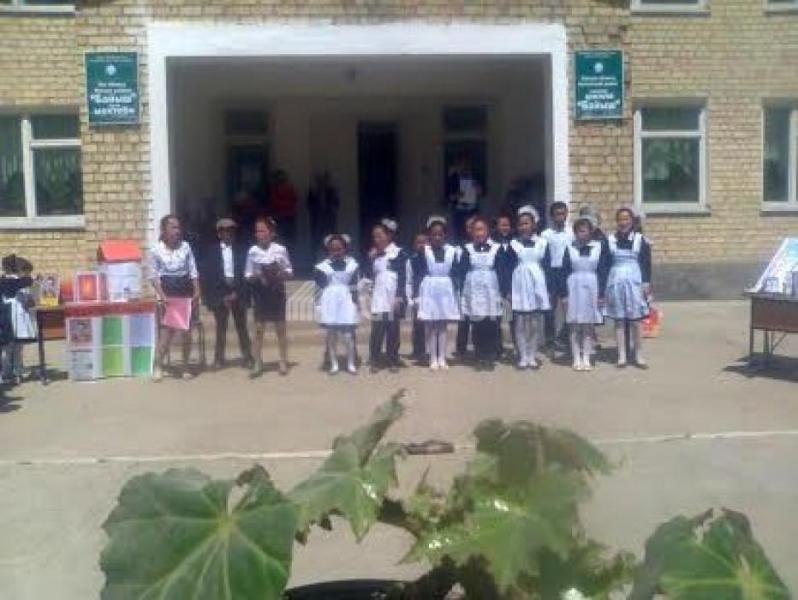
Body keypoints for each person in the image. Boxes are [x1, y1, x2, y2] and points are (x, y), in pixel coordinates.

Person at [149, 214, 201, 381]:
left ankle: (185, 366)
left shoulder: (185, 247)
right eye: (173, 227)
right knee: (166, 333)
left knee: (186, 332)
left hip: (185, 291)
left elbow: (193, 270)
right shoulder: (156, 250)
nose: (177, 231)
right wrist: (162, 296)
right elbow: (153, 277)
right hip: (168, 292)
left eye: (178, 227)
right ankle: (158, 366)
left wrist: (197, 290)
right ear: (164, 230)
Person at [199, 217, 253, 370]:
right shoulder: (211, 251)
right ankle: (219, 358)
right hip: (220, 293)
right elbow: (209, 275)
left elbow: (245, 273)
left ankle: (248, 357)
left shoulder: (242, 250)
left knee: (242, 326)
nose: (228, 233)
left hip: (238, 291)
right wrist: (221, 295)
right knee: (221, 327)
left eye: (231, 230)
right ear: (219, 233)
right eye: (225, 231)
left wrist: (237, 292)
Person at [604, 206, 653, 368]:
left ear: (632, 221)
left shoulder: (640, 240)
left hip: (634, 282)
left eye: (626, 219)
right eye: (620, 219)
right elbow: (605, 264)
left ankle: (638, 354)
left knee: (636, 320)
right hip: (616, 282)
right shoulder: (610, 240)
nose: (623, 222)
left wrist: (646, 283)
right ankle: (622, 356)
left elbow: (646, 263)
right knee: (619, 320)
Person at [456, 215, 506, 371]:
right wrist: (461, 292)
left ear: (488, 231)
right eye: (476, 230)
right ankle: (479, 355)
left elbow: (502, 270)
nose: (479, 233)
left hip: (490, 288)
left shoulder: (497, 248)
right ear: (471, 232)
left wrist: (503, 291)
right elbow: (462, 270)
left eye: (482, 229)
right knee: (477, 324)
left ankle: (489, 355)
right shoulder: (467, 249)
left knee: (490, 323)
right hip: (473, 289)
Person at [504, 206, 551, 370]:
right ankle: (522, 355)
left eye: (527, 223)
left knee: (534, 321)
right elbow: (508, 268)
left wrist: (547, 289)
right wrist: (508, 290)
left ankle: (532, 354)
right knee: (520, 321)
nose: (524, 227)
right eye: (521, 224)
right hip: (519, 283)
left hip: (537, 283)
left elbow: (547, 266)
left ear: (534, 225)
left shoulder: (543, 243)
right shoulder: (513, 244)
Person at [411, 216, 460, 370]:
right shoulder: (424, 251)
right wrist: (417, 294)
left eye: (440, 234)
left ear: (445, 235)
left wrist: (455, 290)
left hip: (445, 288)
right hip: (430, 288)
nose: (437, 237)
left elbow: (455, 271)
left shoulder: (452, 251)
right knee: (431, 325)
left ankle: (442, 357)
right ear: (429, 236)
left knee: (443, 325)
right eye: (434, 234)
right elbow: (418, 272)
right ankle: (432, 357)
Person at [246, 217, 293, 377]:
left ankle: (283, 360)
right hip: (260, 293)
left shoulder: (281, 249)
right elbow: (247, 274)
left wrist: (280, 273)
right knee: (259, 329)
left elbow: (290, 271)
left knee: (280, 329)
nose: (259, 234)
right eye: (257, 231)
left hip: (277, 291)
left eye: (262, 230)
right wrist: (258, 275)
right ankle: (257, 362)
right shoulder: (252, 251)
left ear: (271, 233)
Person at [561, 218, 610, 371]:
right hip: (574, 286)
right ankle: (576, 357)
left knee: (588, 324)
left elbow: (603, 270)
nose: (581, 234)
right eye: (578, 231)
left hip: (592, 286)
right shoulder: (570, 248)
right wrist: (564, 294)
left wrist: (601, 293)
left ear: (590, 232)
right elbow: (564, 271)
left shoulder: (598, 247)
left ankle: (586, 357)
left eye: (584, 230)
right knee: (574, 325)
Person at [363, 218, 407, 373]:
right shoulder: (373, 255)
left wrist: (399, 296)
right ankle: (375, 359)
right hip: (378, 295)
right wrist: (370, 259)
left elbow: (403, 276)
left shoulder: (399, 253)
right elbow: (368, 275)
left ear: (389, 236)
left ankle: (392, 358)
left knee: (393, 329)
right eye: (374, 237)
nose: (376, 239)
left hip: (393, 295)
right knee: (377, 329)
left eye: (379, 236)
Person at [314, 234, 359, 375]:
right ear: (328, 250)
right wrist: (318, 305)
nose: (336, 251)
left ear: (345, 249)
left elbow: (354, 286)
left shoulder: (352, 265)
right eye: (333, 249)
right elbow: (319, 288)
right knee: (331, 334)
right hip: (330, 301)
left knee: (348, 335)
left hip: (346, 300)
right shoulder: (322, 267)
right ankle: (334, 364)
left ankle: (350, 363)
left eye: (339, 248)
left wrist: (356, 303)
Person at [541, 201, 574, 352]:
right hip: (552, 273)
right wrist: (546, 277)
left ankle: (566, 339)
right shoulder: (546, 234)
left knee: (570, 308)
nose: (560, 217)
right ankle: (549, 341)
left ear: (566, 214)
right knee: (550, 310)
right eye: (557, 214)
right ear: (552, 216)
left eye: (562, 213)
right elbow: (544, 257)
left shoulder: (572, 232)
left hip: (568, 272)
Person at [0, 255, 36, 384]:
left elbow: (29, 299)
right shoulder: (6, 281)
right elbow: (19, 283)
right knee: (7, 347)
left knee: (18, 346)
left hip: (19, 317)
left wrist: (30, 301)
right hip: (8, 317)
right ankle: (6, 372)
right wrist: (32, 279)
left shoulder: (19, 282)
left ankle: (17, 369)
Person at [454, 214, 478, 359]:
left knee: (478, 319)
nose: (470, 229)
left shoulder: (485, 245)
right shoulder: (460, 247)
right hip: (464, 286)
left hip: (480, 288)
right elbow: (457, 268)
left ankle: (478, 347)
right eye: (468, 227)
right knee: (464, 319)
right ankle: (461, 349)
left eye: (473, 226)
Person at [492, 212, 514, 359]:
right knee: (496, 319)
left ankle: (518, 347)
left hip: (512, 285)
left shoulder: (515, 244)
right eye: (502, 225)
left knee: (513, 319)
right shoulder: (491, 244)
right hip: (496, 285)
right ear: (497, 227)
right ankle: (497, 348)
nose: (505, 228)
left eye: (507, 225)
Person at [406, 232, 429, 363]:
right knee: (418, 325)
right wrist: (410, 297)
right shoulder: (411, 261)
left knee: (431, 326)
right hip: (418, 296)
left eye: (424, 242)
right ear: (414, 245)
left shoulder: (432, 259)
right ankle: (418, 351)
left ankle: (430, 351)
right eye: (418, 243)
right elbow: (409, 281)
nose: (421, 245)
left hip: (431, 296)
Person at [447, 157, 481, 242]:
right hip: (459, 210)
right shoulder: (453, 179)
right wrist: (456, 195)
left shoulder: (475, 177)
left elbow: (480, 192)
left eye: (466, 164)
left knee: (473, 231)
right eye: (462, 164)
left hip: (472, 210)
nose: (464, 167)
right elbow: (448, 197)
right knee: (459, 233)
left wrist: (477, 187)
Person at [307, 172, 340, 256]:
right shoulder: (313, 191)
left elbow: (337, 203)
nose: (322, 182)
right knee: (316, 239)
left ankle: (331, 255)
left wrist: (332, 208)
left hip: (329, 219)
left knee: (330, 238)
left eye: (324, 180)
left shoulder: (332, 191)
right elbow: (309, 205)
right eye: (320, 181)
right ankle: (314, 257)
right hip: (317, 219)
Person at [268, 170, 299, 249]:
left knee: (290, 238)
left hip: (289, 216)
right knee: (280, 238)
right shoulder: (274, 189)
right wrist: (287, 204)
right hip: (279, 217)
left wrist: (288, 204)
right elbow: (274, 201)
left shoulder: (289, 187)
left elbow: (294, 199)